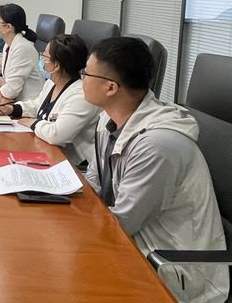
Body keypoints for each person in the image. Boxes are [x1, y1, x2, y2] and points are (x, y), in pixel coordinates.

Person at [82, 37, 228, 303]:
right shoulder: (108, 119)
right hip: (131, 241)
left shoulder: (158, 145)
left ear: (111, 87)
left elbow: (123, 223)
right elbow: (95, 179)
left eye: (87, 73)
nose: (82, 78)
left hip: (168, 266)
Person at [0, 34, 99, 165]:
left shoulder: (80, 96)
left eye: (45, 56)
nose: (41, 57)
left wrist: (33, 123)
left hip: (72, 164)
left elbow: (57, 135)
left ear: (56, 65)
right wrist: (12, 109)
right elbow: (38, 105)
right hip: (45, 149)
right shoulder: (52, 82)